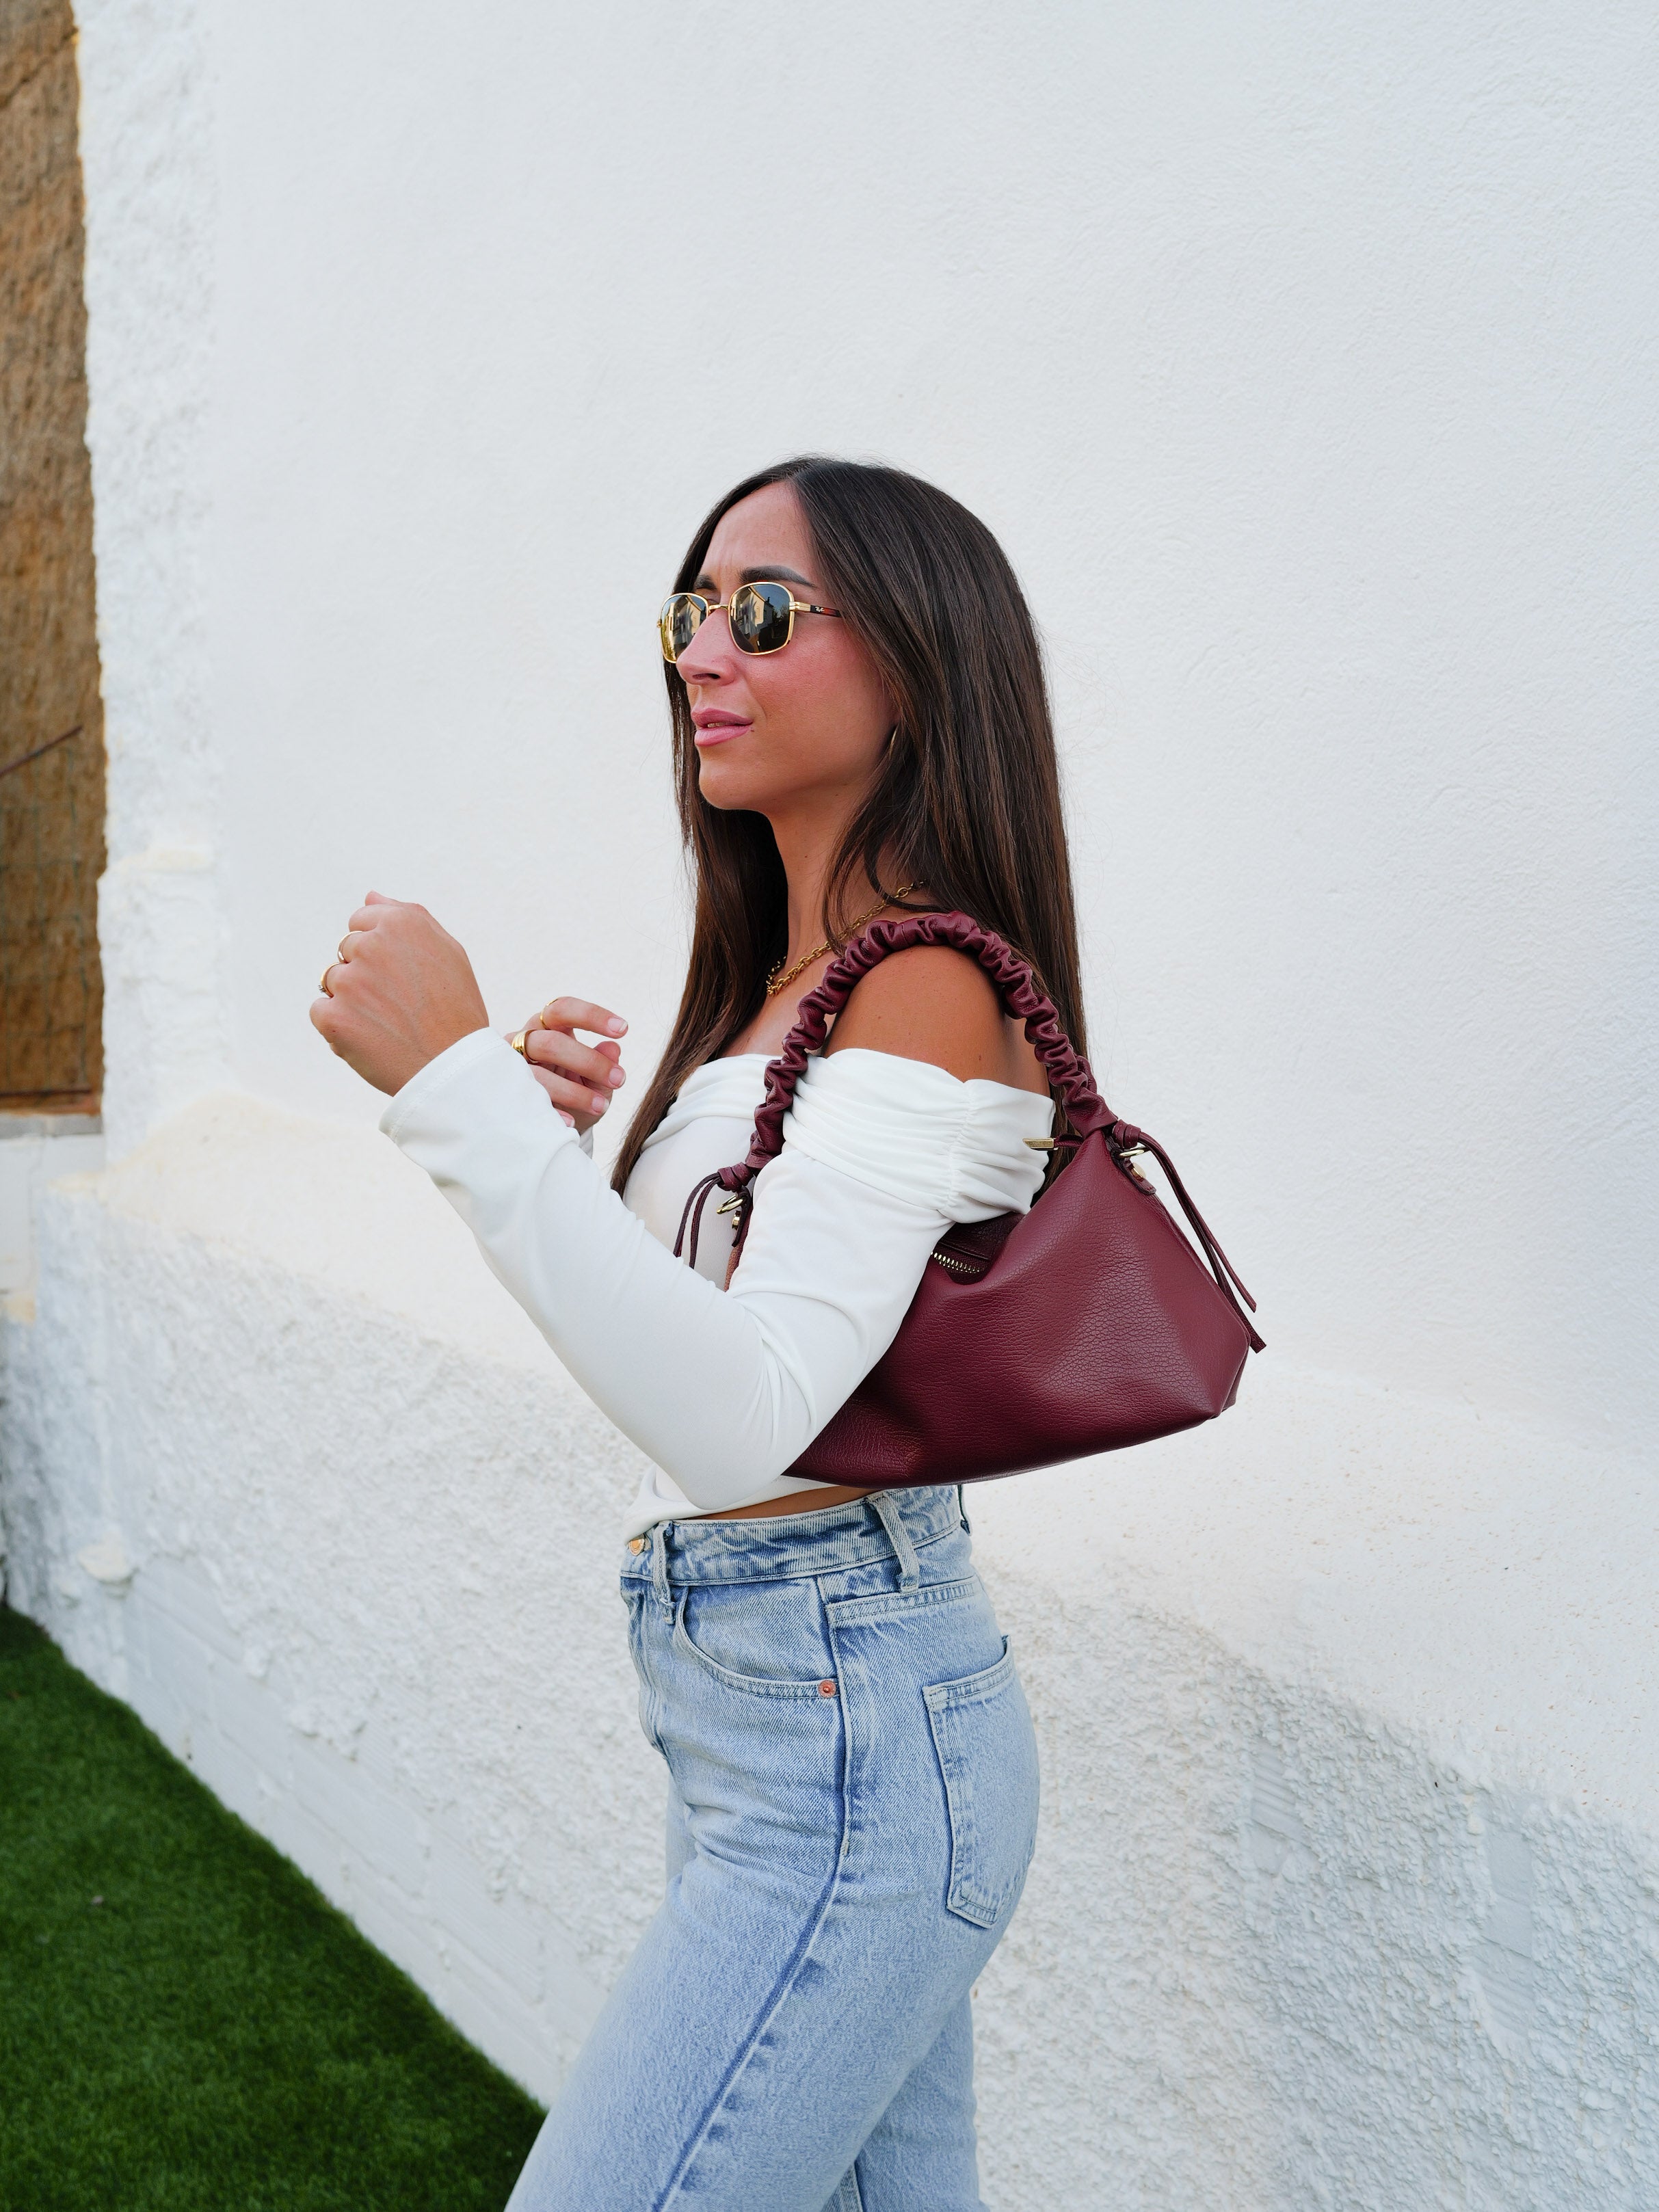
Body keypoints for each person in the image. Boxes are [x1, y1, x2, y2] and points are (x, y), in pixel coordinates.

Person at [313, 456, 1088, 2211]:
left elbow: (748, 1420)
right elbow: (726, 1349)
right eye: (686, 614)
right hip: (790, 1707)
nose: (698, 659)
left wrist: (451, 1096)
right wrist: (557, 1147)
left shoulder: (923, 981)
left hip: (849, 1728)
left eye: (760, 613)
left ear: (921, 658)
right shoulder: (787, 984)